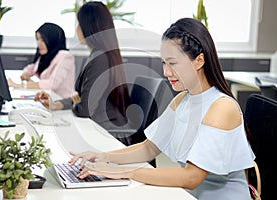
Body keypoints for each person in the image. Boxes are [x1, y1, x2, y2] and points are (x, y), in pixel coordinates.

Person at [69, 18, 255, 200]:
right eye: (164, 63)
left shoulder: (221, 107)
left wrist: (124, 172)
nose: (166, 72)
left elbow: (192, 177)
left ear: (199, 61)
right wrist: (101, 157)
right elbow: (149, 148)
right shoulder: (183, 99)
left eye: (172, 63)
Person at [34, 2, 130, 131]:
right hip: (97, 125)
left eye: (79, 24)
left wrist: (77, 103)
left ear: (88, 27)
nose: (77, 29)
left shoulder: (100, 59)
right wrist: (57, 104)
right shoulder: (97, 55)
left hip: (104, 131)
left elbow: (85, 109)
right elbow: (80, 97)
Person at [7, 22, 75, 98]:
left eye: (42, 39)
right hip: (48, 99)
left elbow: (52, 84)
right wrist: (26, 73)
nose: (39, 43)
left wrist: (20, 85)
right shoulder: (46, 55)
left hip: (61, 103)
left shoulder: (65, 56)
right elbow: (32, 67)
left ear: (52, 40)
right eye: (37, 39)